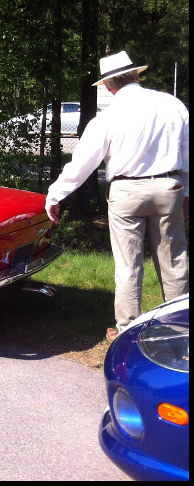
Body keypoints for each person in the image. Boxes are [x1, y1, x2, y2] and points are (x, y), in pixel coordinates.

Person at [45, 51, 189, 343]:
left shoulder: (107, 117)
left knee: (128, 264)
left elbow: (83, 163)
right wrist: (186, 189)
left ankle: (127, 331)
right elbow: (187, 151)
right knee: (173, 262)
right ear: (137, 75)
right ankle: (180, 331)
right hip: (169, 187)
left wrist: (55, 194)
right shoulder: (173, 105)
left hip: (126, 192)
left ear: (109, 86)